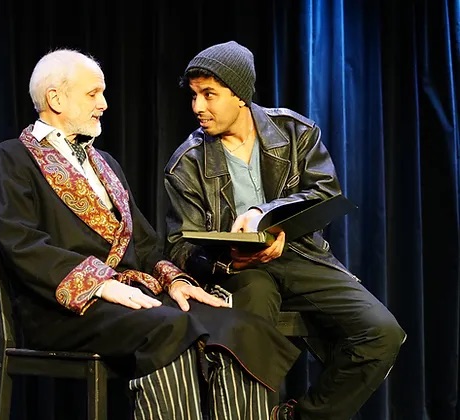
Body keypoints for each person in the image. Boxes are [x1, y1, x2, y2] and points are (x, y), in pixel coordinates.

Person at [0, 48, 301, 419]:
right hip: (62, 307)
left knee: (237, 325)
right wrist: (101, 284)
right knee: (170, 327)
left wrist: (175, 281)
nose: (103, 104)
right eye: (93, 94)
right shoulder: (12, 158)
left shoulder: (105, 164)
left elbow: (146, 244)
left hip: (130, 298)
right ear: (55, 98)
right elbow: (21, 244)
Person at [163, 40, 407, 420]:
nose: (198, 107)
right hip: (240, 270)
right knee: (252, 327)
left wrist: (267, 214)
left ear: (240, 94)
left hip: (301, 254)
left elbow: (325, 192)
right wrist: (229, 263)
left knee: (382, 333)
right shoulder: (187, 163)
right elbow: (179, 245)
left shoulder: (295, 131)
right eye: (194, 95)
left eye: (209, 95)